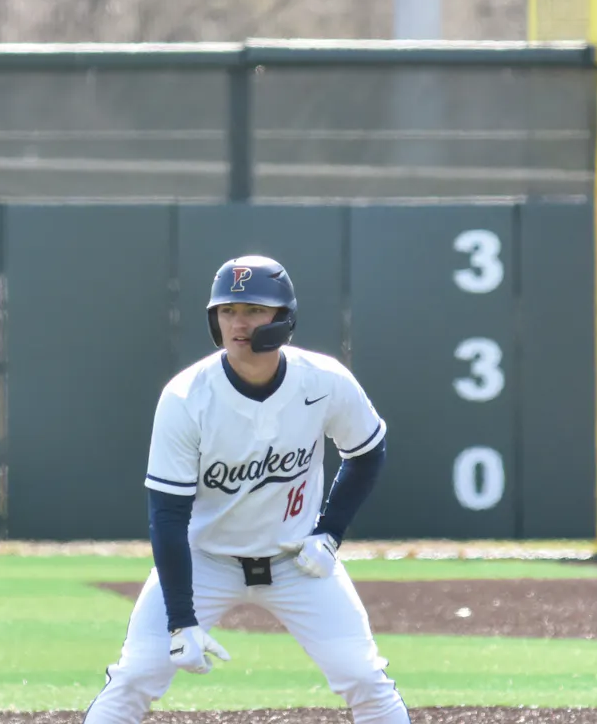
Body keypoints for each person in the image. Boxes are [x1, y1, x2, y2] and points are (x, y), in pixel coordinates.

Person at [82, 255, 409, 724]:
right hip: (205, 560)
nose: (238, 322)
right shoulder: (186, 396)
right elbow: (168, 516)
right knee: (135, 678)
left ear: (284, 319)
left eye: (254, 310)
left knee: (364, 677)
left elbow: (367, 451)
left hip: (297, 561)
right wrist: (181, 619)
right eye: (227, 310)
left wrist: (329, 532)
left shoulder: (324, 380)